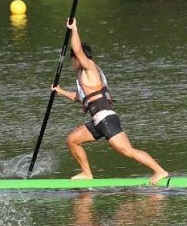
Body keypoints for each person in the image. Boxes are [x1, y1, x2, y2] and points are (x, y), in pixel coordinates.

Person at [51, 18, 169, 184]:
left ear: (79, 58)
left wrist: (74, 29)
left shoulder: (90, 66)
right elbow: (80, 98)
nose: (72, 63)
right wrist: (60, 91)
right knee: (72, 140)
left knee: (127, 151)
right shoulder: (82, 77)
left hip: (106, 118)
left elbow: (77, 49)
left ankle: (159, 171)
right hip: (97, 121)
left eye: (73, 59)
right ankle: (86, 173)